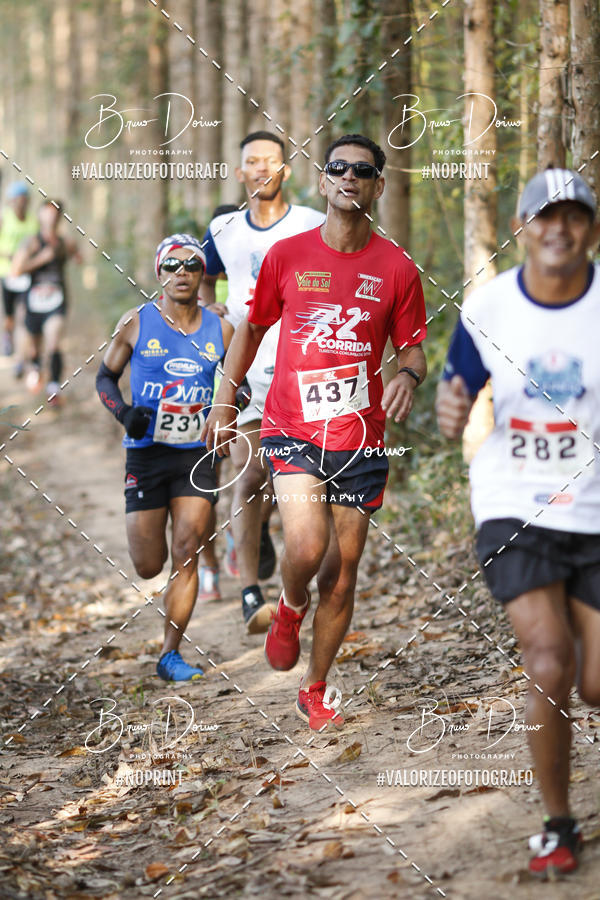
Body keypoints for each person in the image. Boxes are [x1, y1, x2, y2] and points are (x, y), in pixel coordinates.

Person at [202, 133, 427, 730]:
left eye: (363, 171)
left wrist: (408, 375)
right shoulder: (289, 256)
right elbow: (249, 331)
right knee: (305, 548)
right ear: (323, 182)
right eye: (338, 169)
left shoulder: (397, 268)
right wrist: (226, 400)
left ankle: (316, 686)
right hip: (291, 425)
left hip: (360, 436)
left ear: (378, 186)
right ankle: (288, 604)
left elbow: (413, 349)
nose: (349, 177)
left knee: (341, 571)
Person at [436, 169, 600, 878]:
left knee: (597, 684)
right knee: (548, 661)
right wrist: (450, 406)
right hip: (514, 502)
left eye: (573, 217)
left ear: (590, 227)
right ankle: (558, 826)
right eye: (544, 216)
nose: (558, 229)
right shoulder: (490, 307)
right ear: (523, 227)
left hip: (594, 504)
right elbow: (458, 384)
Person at [200, 130, 325, 633]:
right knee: (250, 476)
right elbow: (207, 274)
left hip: (304, 369)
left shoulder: (313, 223)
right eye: (251, 161)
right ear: (240, 172)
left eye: (270, 161)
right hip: (244, 366)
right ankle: (252, 594)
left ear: (285, 171)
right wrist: (212, 307)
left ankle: (287, 571)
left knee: (292, 481)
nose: (261, 169)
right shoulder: (224, 227)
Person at [96, 234, 233, 681]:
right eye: (172, 265)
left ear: (201, 274)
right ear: (159, 273)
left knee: (187, 549)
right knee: (149, 564)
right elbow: (104, 377)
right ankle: (167, 636)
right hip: (147, 456)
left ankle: (170, 653)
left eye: (191, 265)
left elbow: (239, 387)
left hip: (197, 455)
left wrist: (223, 413)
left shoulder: (221, 328)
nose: (182, 272)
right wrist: (124, 413)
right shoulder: (136, 323)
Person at [11, 200, 80, 403]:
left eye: (55, 213)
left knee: (54, 340)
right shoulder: (31, 241)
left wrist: (76, 256)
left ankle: (54, 387)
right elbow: (16, 270)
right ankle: (35, 366)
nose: (51, 217)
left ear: (59, 217)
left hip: (57, 301)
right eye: (47, 212)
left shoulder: (65, 242)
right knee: (35, 346)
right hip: (34, 302)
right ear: (40, 215)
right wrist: (40, 258)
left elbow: (78, 256)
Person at [0, 182, 37, 366]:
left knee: (24, 313)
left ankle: (22, 356)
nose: (21, 203)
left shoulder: (33, 220)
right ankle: (8, 338)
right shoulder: (4, 219)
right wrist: (9, 255)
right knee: (10, 316)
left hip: (27, 274)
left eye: (24, 200)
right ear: (12, 202)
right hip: (7, 273)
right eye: (18, 200)